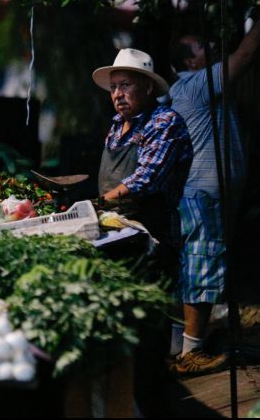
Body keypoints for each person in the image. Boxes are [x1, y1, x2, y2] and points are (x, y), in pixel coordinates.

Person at [92, 47, 193, 417]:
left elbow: (144, 179)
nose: (118, 94)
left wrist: (102, 200)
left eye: (127, 86)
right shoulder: (117, 126)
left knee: (149, 334)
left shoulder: (166, 123)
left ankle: (154, 408)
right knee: (121, 328)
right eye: (114, 87)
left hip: (153, 240)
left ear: (148, 88)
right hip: (117, 236)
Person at [167, 18, 260, 375]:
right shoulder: (196, 84)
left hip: (210, 196)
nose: (213, 49)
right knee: (202, 266)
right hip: (204, 196)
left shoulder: (198, 87)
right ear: (190, 62)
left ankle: (182, 344)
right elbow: (246, 54)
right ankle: (191, 353)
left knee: (200, 265)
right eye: (204, 48)